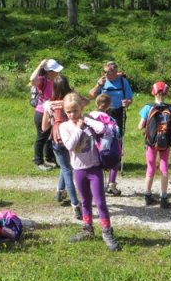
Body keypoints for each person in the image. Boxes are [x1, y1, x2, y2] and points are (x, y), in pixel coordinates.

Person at [59, 92, 121, 251]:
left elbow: (102, 129)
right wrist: (79, 128)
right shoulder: (64, 126)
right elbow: (70, 146)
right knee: (85, 201)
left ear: (81, 108)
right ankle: (88, 228)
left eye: (75, 110)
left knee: (100, 202)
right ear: (65, 112)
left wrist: (86, 120)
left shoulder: (89, 122)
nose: (72, 114)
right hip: (79, 170)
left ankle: (107, 231)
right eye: (69, 112)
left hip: (94, 169)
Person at [41, 75, 83, 220]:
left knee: (65, 168)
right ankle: (68, 198)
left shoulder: (49, 104)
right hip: (72, 137)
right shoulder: (70, 101)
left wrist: (53, 121)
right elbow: (88, 102)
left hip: (57, 139)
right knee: (67, 168)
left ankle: (68, 198)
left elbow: (44, 126)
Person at [88, 61, 133, 194]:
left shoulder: (122, 81)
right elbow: (91, 95)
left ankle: (111, 182)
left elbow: (130, 98)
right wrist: (98, 85)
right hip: (102, 115)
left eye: (110, 72)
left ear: (115, 71)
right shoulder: (102, 81)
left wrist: (127, 102)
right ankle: (102, 177)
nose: (107, 74)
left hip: (118, 113)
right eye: (106, 72)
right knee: (100, 144)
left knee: (116, 143)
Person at [137, 82, 171, 209]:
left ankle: (147, 195)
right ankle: (164, 197)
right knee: (164, 168)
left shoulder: (148, 107)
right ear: (166, 93)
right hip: (165, 142)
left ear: (152, 92)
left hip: (151, 143)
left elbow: (140, 127)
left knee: (150, 168)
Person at [29, 58, 63, 171]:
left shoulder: (57, 81)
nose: (58, 72)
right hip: (42, 113)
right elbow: (32, 79)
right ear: (49, 72)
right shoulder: (42, 81)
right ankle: (39, 161)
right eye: (55, 70)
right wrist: (40, 65)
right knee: (42, 137)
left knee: (51, 136)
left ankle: (50, 158)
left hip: (53, 112)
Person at [93, 94, 122, 196]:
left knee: (97, 167)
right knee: (115, 163)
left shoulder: (91, 115)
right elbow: (116, 134)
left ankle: (98, 186)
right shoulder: (110, 119)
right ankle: (111, 185)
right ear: (109, 105)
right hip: (108, 146)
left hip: (94, 146)